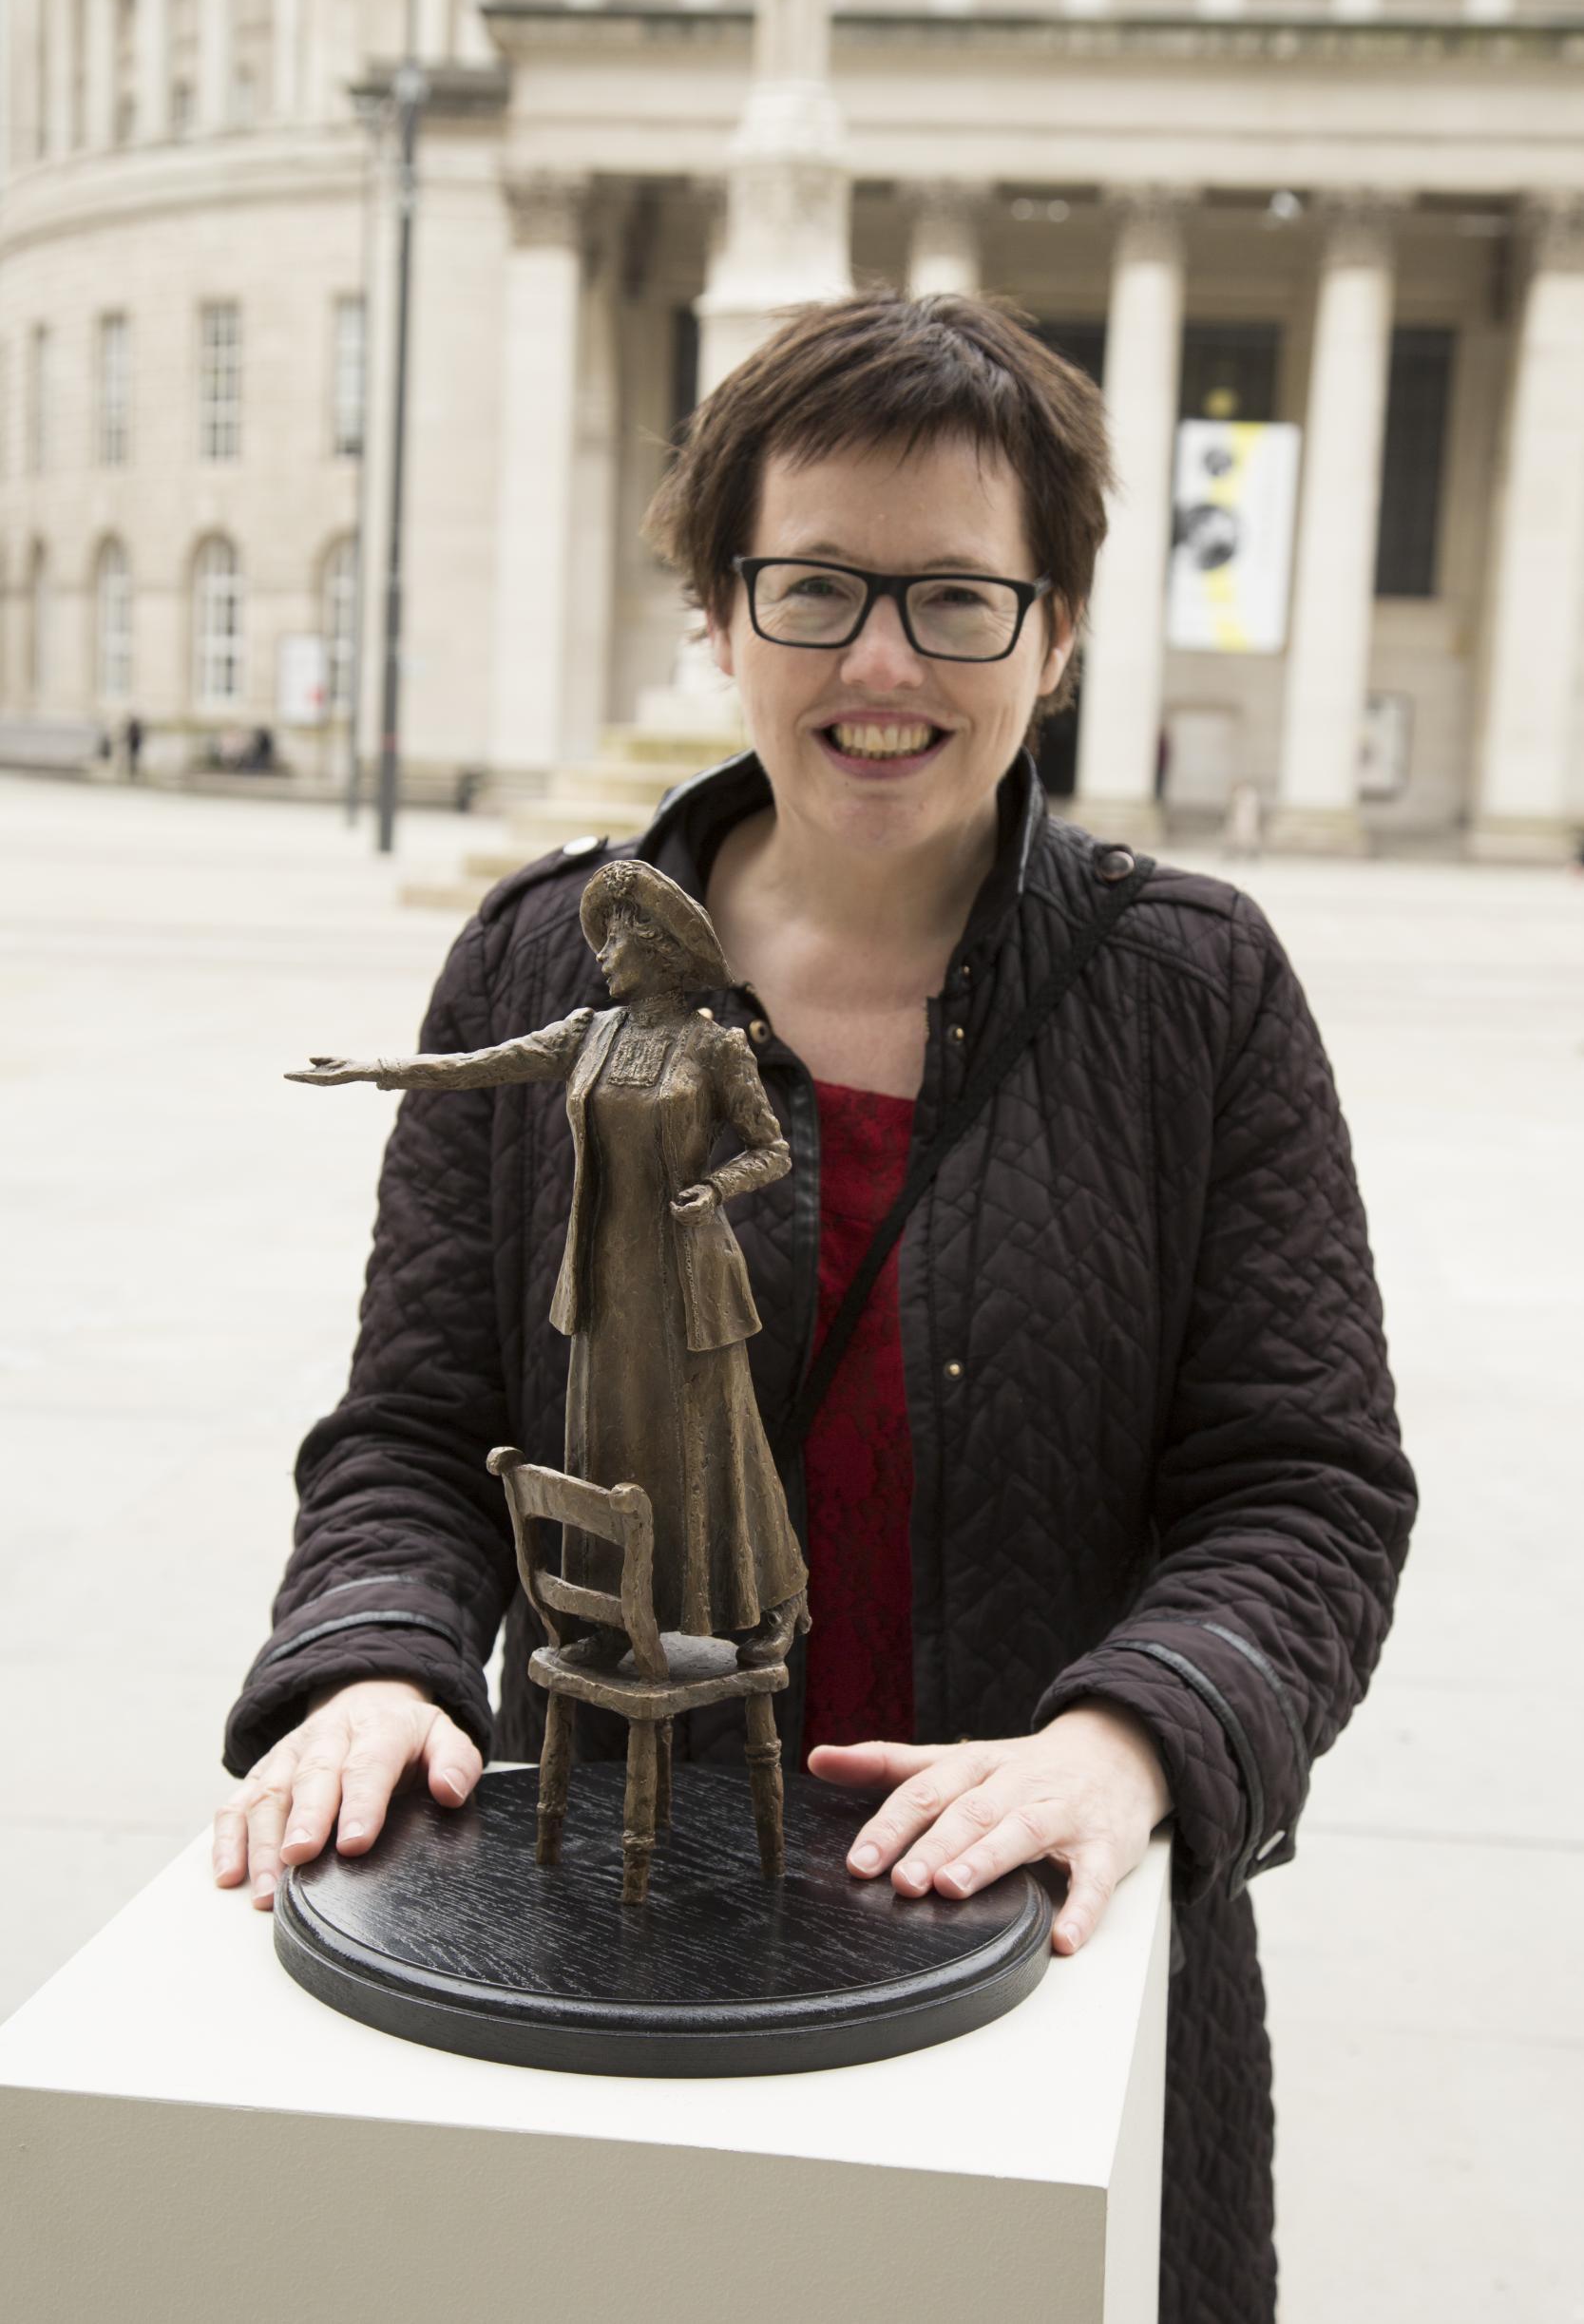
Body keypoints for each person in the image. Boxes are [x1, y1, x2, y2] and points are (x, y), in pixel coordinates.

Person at [216, 291, 1415, 2324]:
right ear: (717, 612)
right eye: (814, 587)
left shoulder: (1188, 991)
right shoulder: (534, 963)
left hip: (1025, 1958)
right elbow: (416, 1431)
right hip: (616, 1940)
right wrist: (369, 1663)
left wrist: (1127, 1737)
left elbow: (1301, 1482)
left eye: (954, 596)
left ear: (1050, 634)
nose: (879, 661)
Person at [284, 859, 809, 1665]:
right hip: (606, 1274)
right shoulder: (588, 1034)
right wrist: (380, 1070)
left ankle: (767, 1600)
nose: (601, 955)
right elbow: (482, 1064)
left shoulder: (715, 1048)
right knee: (610, 1450)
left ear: (661, 952)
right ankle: (613, 1611)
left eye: (617, 942)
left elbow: (771, 1149)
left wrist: (716, 1185)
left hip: (687, 1282)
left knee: (714, 1442)